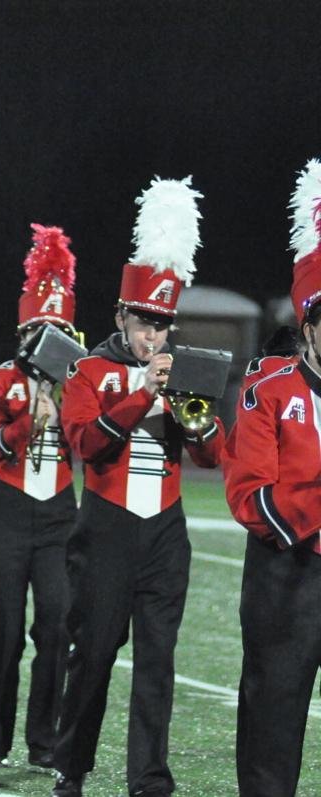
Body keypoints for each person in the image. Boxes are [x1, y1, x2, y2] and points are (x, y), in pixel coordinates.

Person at [50, 178, 225, 797]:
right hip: (107, 528)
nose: (154, 336)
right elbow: (86, 445)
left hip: (166, 532)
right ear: (122, 316)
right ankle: (72, 767)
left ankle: (149, 777)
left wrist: (191, 416)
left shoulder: (183, 376)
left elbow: (212, 455)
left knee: (158, 662)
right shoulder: (88, 371)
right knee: (93, 655)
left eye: (163, 325)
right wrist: (142, 394)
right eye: (144, 322)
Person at [224, 158, 321, 796]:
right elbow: (249, 492)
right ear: (309, 327)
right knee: (274, 712)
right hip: (290, 571)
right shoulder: (269, 385)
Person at [0, 224, 79, 767]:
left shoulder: (82, 383)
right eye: (40, 328)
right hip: (7, 513)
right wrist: (30, 422)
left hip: (60, 511)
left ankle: (45, 742)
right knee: (4, 633)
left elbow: (97, 444)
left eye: (59, 329)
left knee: (58, 627)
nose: (49, 339)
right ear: (23, 331)